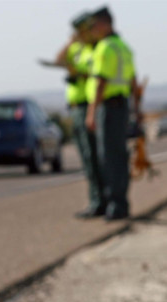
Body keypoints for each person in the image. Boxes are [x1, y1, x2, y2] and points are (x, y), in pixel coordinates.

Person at [85, 7, 140, 220]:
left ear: (105, 24)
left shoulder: (105, 48)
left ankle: (115, 205)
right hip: (122, 105)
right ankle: (120, 203)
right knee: (118, 155)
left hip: (108, 107)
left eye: (94, 25)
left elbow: (100, 82)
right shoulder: (123, 47)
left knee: (108, 158)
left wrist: (91, 112)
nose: (92, 30)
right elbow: (134, 81)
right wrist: (137, 108)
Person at [55, 11, 107, 219]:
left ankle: (100, 201)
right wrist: (69, 42)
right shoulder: (76, 48)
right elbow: (58, 60)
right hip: (75, 107)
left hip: (88, 106)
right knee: (87, 158)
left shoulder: (93, 49)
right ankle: (96, 200)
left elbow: (98, 76)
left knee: (94, 157)